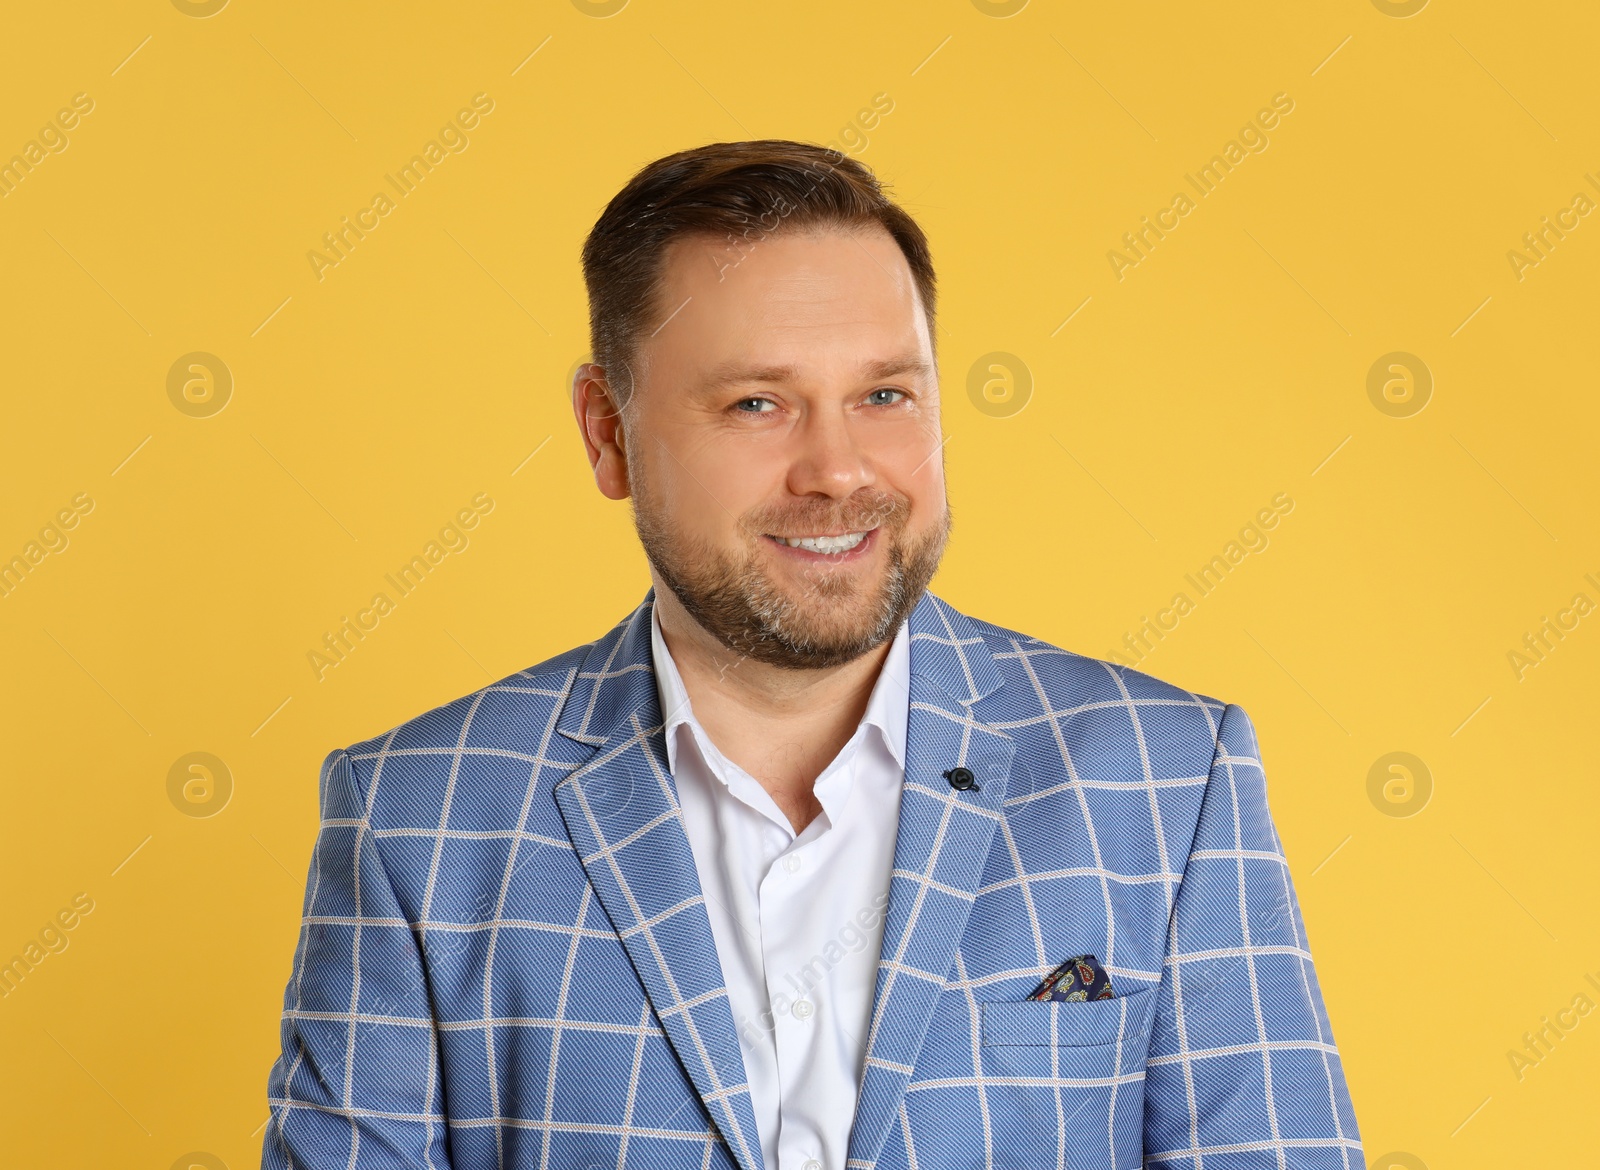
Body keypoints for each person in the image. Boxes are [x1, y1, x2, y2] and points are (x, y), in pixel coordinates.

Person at [262, 139, 1361, 1170]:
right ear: (608, 433)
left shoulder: (1168, 778)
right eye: (756, 403)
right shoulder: (418, 814)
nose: (837, 470)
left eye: (883, 395)